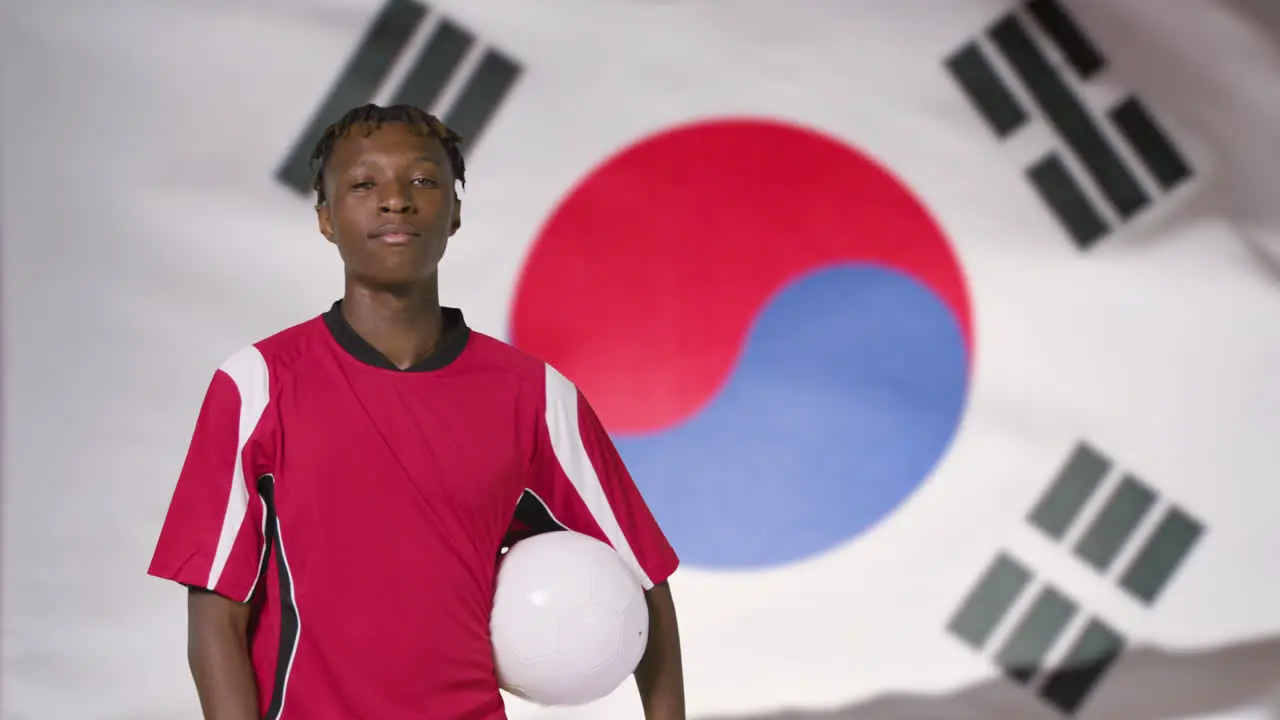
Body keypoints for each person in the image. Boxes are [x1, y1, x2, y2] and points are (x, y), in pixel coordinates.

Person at [147, 104, 686, 719]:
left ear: (454, 211)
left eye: (423, 181)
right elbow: (216, 617)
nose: (395, 201)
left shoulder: (533, 396)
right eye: (363, 184)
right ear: (325, 218)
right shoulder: (257, 386)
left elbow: (644, 581)